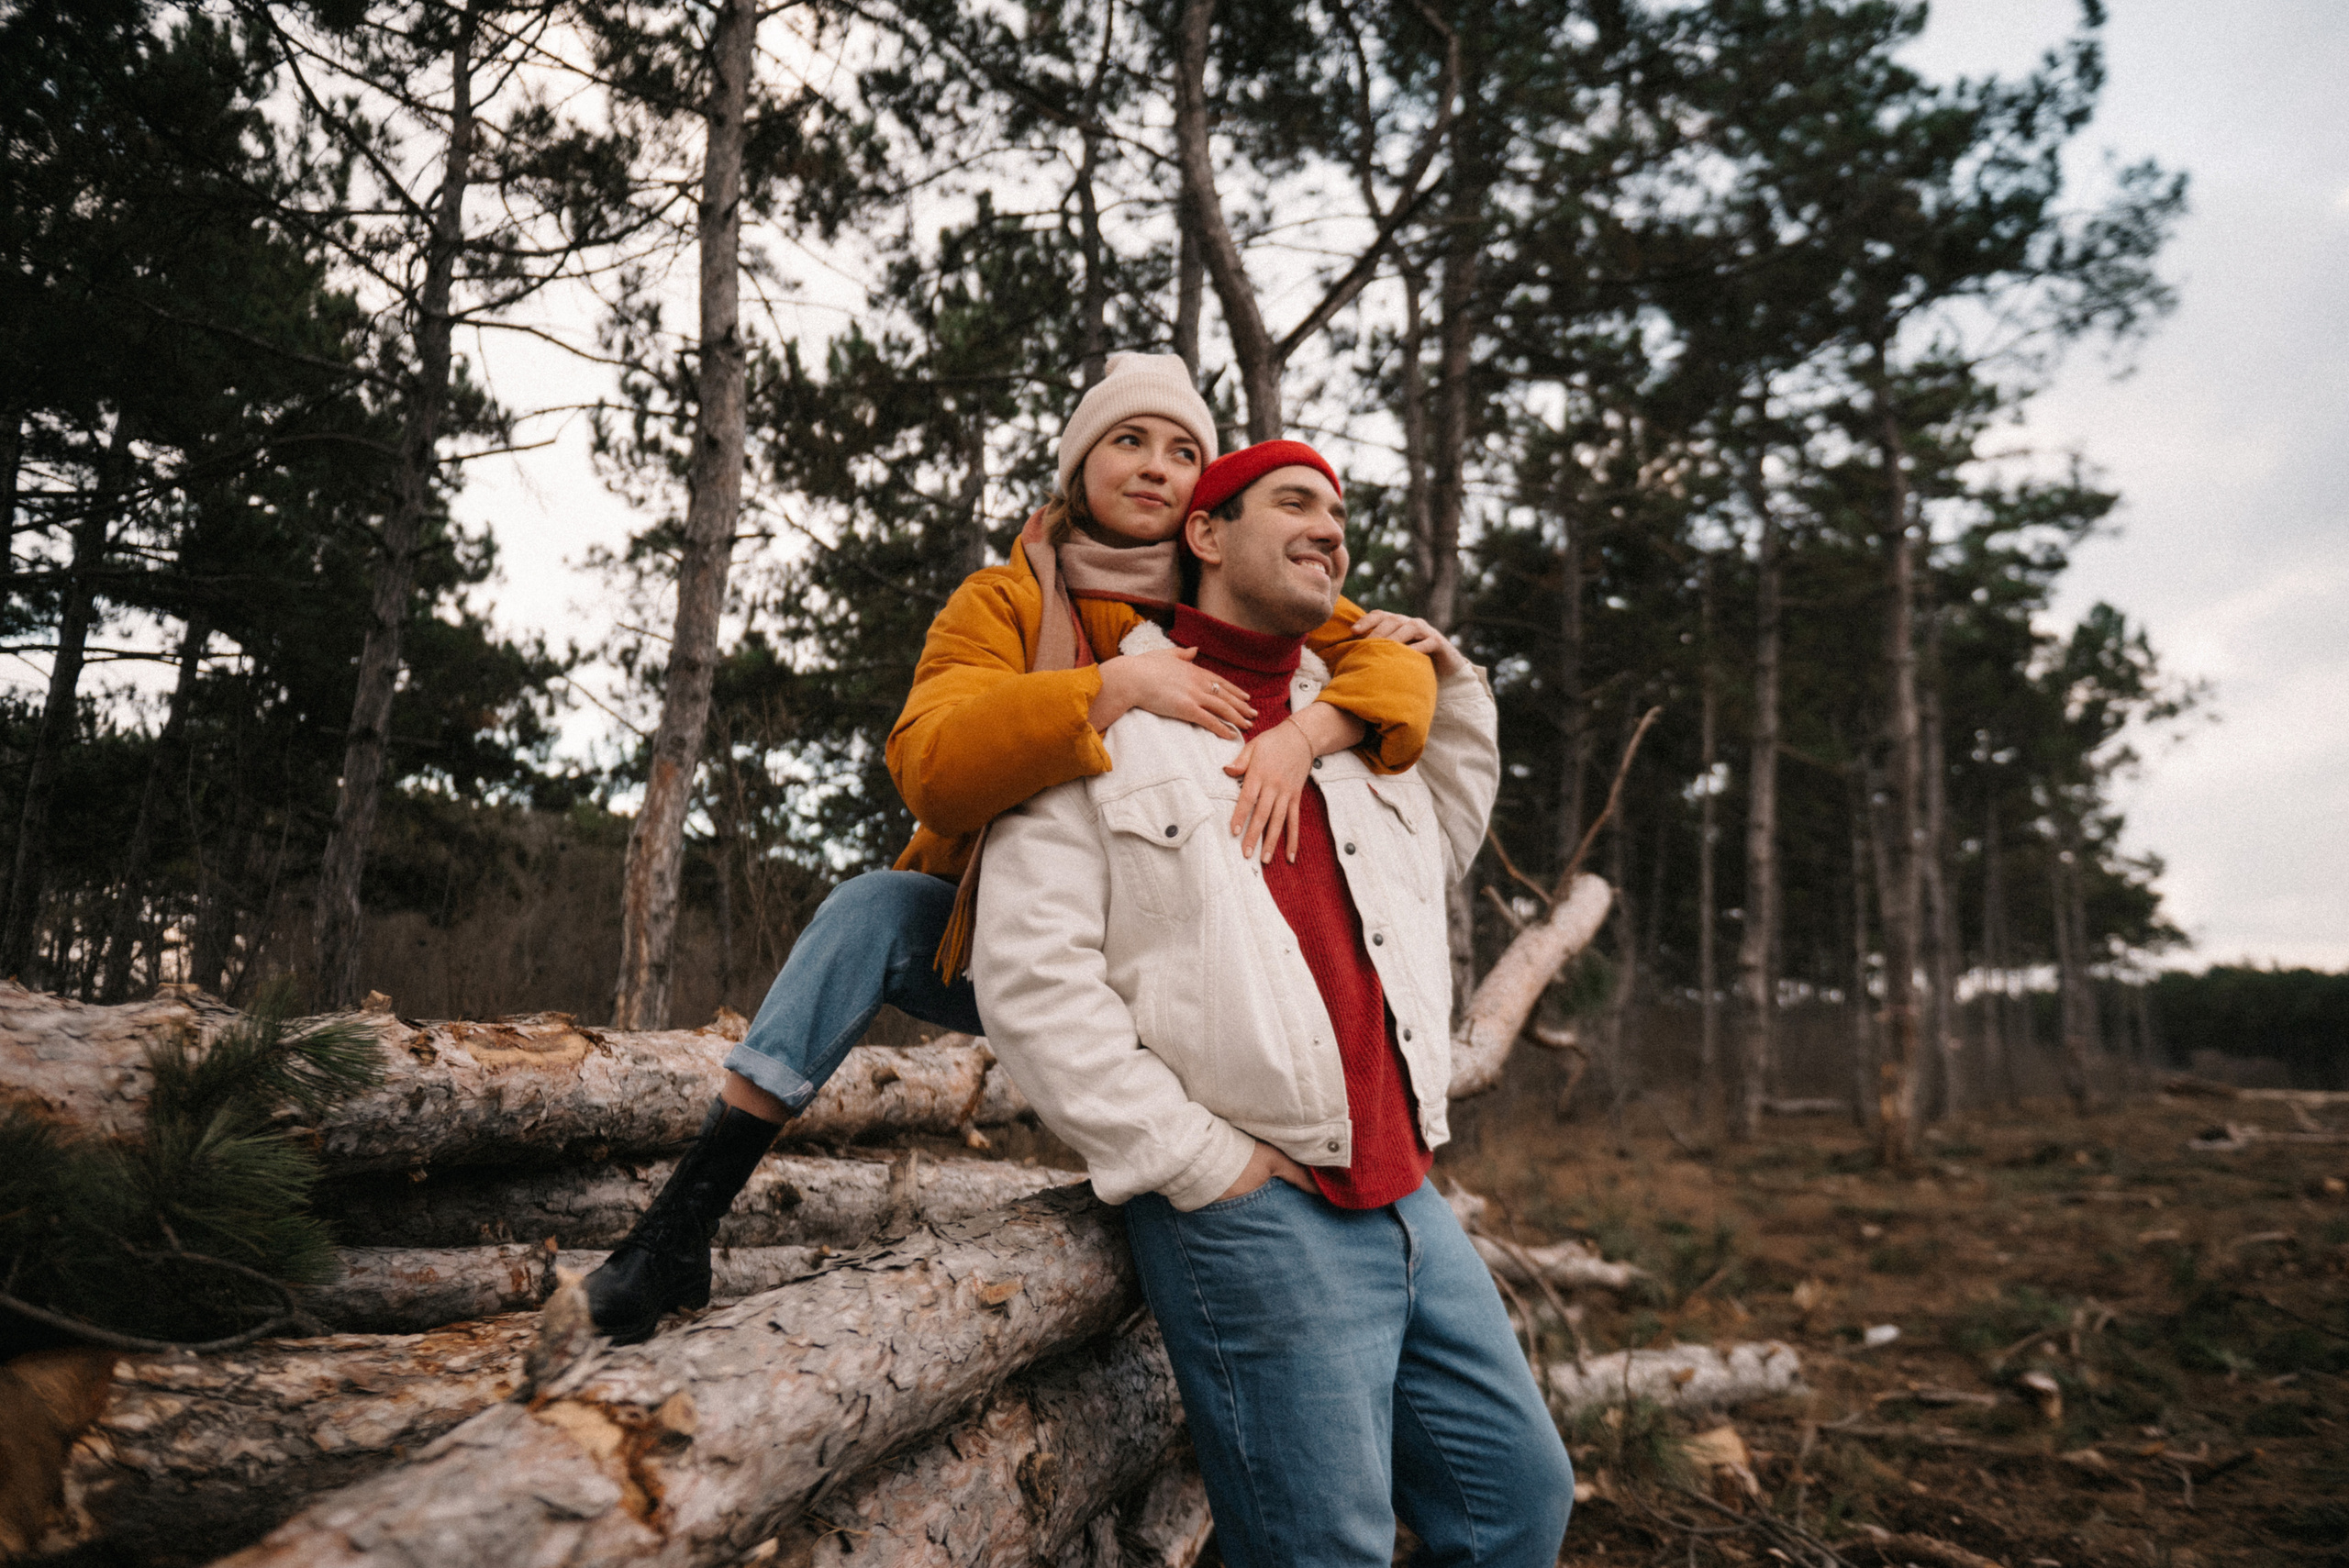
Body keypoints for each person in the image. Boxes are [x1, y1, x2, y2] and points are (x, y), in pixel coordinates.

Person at [584, 356, 1443, 1343]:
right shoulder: (1004, 601)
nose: (1156, 465)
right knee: (871, 910)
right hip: (1022, 941)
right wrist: (1110, 690)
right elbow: (934, 766)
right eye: (1128, 440)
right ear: (1078, 463)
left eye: (1183, 451)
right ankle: (678, 1226)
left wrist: (1305, 734)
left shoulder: (1232, 582)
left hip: (1195, 958)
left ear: (1205, 502)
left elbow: (1399, 666)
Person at [970, 439, 1573, 1567]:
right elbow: (1030, 973)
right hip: (1260, 1204)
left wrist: (1455, 685)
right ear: (1205, 534)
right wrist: (1201, 1162)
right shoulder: (1100, 713)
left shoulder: (1350, 717)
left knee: (1517, 1501)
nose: (1329, 528)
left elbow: (1443, 830)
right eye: (1294, 501)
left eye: (1339, 513)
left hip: (1406, 1191)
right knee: (1320, 1548)